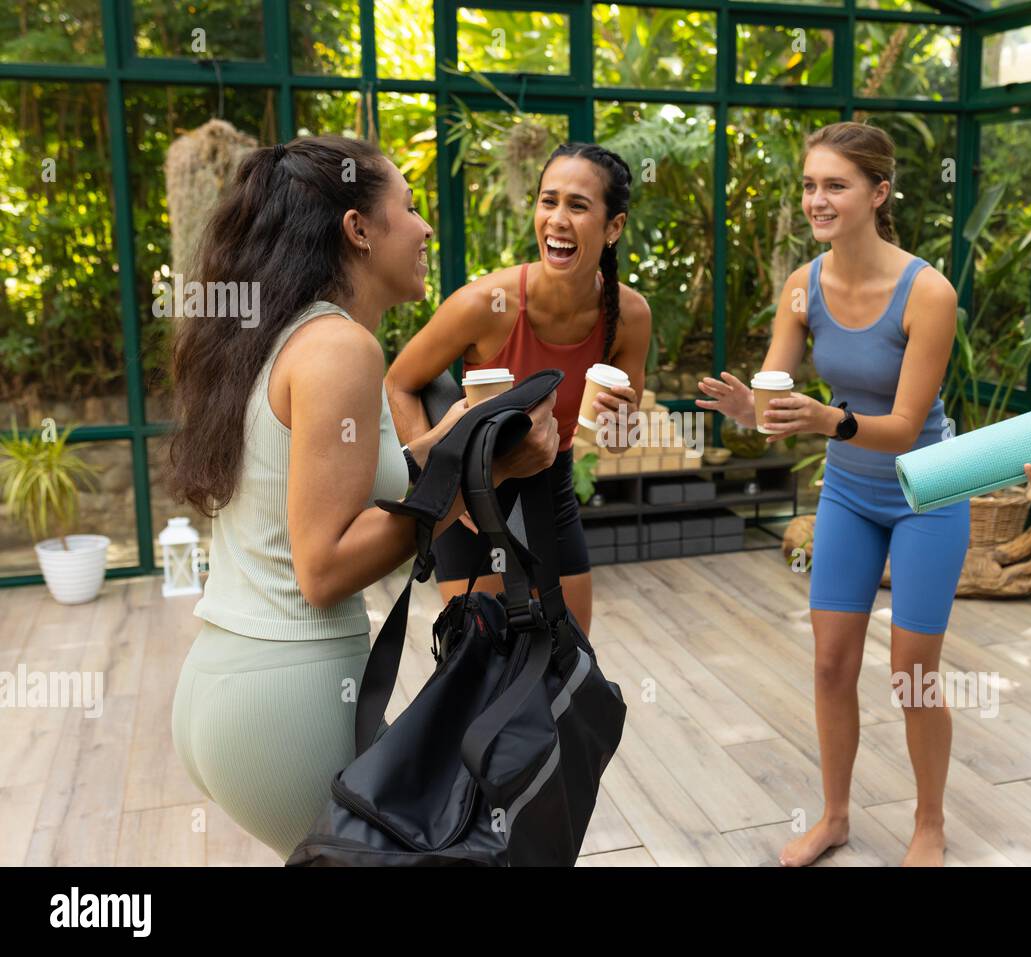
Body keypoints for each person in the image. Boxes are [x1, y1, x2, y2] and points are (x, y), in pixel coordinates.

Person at [167, 134, 558, 860]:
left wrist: (453, 443)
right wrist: (488, 479)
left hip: (227, 685)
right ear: (358, 229)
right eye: (408, 207)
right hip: (288, 702)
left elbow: (338, 482)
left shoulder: (281, 336)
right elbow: (324, 567)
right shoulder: (343, 349)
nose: (425, 227)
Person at [698, 122, 967, 867]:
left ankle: (930, 823)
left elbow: (908, 425)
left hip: (927, 491)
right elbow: (774, 401)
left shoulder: (928, 293)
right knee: (829, 665)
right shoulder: (802, 285)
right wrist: (750, 410)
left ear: (878, 193)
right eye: (811, 185)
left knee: (912, 673)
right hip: (850, 492)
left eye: (835, 185)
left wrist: (825, 418)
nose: (818, 199)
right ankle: (836, 816)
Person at [385, 143, 652, 636]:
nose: (557, 219)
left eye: (578, 205)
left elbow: (616, 439)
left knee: (566, 663)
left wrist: (621, 426)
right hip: (473, 489)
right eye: (548, 201)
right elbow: (399, 382)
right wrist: (438, 486)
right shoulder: (485, 303)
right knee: (481, 673)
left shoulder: (630, 316)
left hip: (551, 488)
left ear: (614, 227)